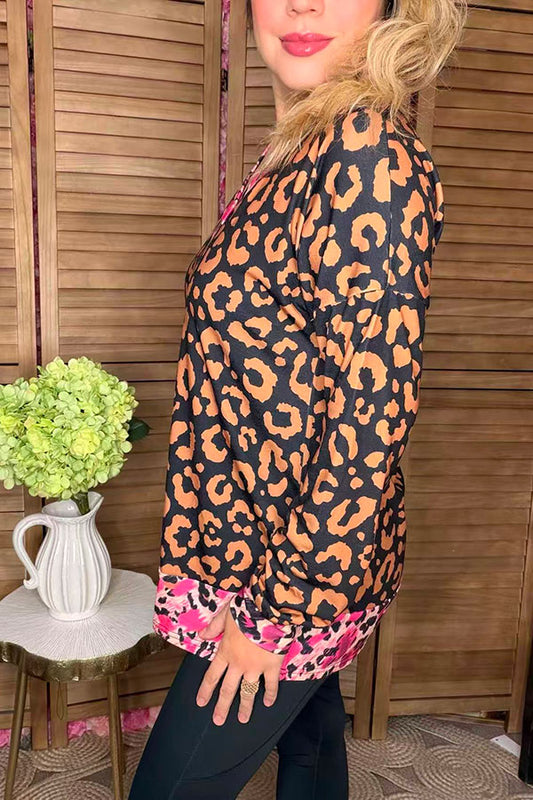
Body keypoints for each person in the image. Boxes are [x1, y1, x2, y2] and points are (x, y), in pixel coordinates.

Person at [128, 0, 467, 798]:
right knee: (310, 750)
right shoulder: (295, 152)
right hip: (248, 547)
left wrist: (274, 618)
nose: (303, 4)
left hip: (289, 579)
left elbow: (369, 420)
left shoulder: (365, 153)